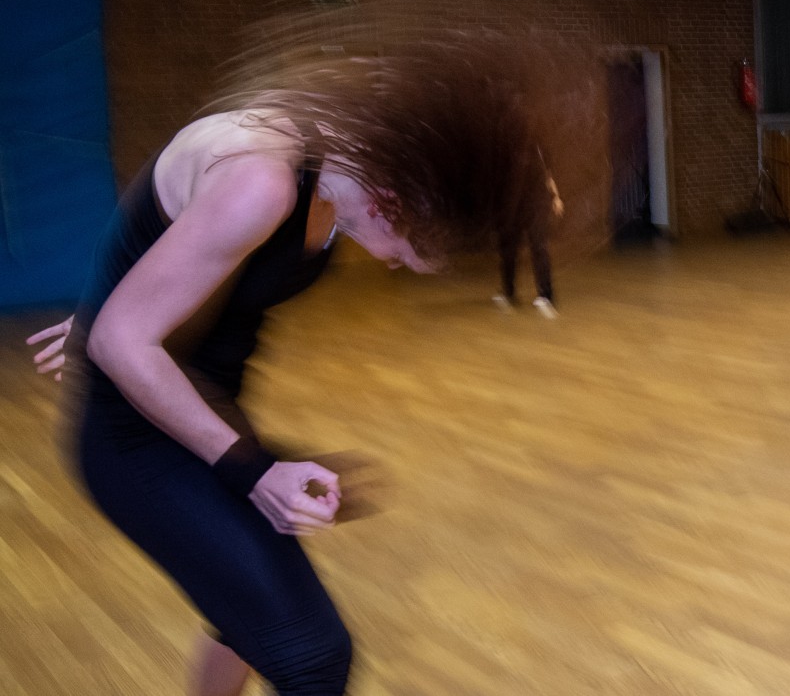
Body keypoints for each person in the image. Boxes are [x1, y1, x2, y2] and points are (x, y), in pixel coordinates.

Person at [24, 48, 597, 694]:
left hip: (207, 409)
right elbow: (125, 341)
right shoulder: (263, 176)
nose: (392, 266)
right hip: (137, 434)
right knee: (313, 656)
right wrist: (254, 469)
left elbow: (173, 231)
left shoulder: (342, 164)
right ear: (388, 201)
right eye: (405, 255)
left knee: (246, 611)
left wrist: (121, 299)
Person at [493, 170, 564, 318]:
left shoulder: (538, 148)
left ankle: (546, 296)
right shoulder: (506, 153)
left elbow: (548, 173)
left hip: (537, 203)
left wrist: (556, 197)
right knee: (508, 247)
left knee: (539, 246)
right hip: (514, 204)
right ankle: (508, 292)